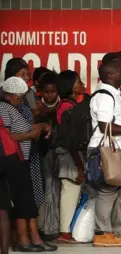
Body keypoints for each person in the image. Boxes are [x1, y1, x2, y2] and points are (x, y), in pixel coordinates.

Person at [88, 60, 121, 247]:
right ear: (111, 75)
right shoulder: (104, 95)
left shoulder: (114, 93)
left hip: (118, 150)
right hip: (104, 150)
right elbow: (105, 127)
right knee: (107, 191)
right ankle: (102, 233)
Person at [0, 77, 57, 252]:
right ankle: (23, 239)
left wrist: (38, 127)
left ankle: (32, 238)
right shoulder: (4, 108)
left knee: (27, 199)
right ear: (10, 96)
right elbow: (10, 137)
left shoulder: (14, 109)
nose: (22, 100)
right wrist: (34, 132)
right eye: (20, 97)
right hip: (12, 159)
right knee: (22, 200)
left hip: (22, 158)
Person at [54, 70, 86, 243]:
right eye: (78, 81)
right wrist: (79, 164)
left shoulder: (69, 105)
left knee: (71, 190)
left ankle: (67, 229)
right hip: (70, 155)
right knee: (70, 190)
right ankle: (64, 231)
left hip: (71, 154)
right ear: (71, 86)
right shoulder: (68, 107)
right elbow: (71, 139)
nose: (82, 84)